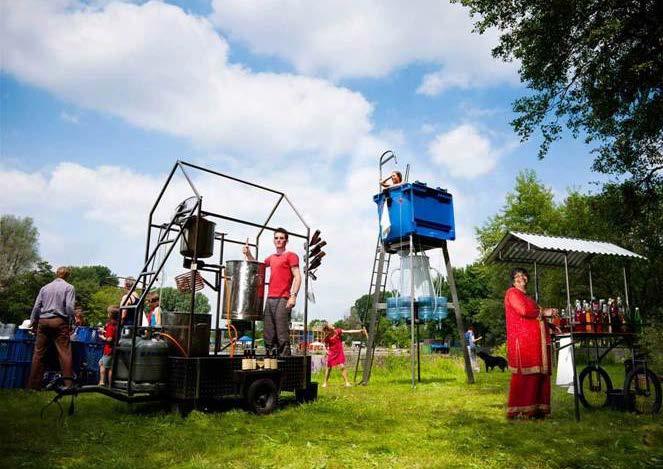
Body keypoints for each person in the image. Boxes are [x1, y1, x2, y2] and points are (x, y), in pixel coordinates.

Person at [504, 268, 556, 419]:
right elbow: (523, 310)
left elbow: (534, 313)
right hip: (524, 342)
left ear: (527, 278)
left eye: (523, 275)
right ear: (513, 281)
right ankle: (522, 410)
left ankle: (537, 409)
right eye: (517, 276)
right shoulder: (512, 293)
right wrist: (543, 312)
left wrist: (550, 321)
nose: (521, 277)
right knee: (527, 376)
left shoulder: (529, 298)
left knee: (539, 375)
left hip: (536, 341)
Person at [243, 227, 301, 356]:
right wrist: (248, 254)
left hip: (283, 298)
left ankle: (285, 363)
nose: (278, 240)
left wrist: (293, 296)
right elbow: (257, 266)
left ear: (286, 241)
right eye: (276, 238)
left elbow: (297, 276)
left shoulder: (291, 256)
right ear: (273, 241)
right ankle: (270, 360)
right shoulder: (272, 258)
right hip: (270, 299)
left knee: (281, 333)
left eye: (281, 238)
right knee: (268, 333)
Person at [28, 266, 76, 389]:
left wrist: (33, 322)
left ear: (56, 274)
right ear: (67, 276)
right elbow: (70, 307)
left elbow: (36, 306)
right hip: (59, 321)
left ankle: (33, 385)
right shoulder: (69, 287)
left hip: (43, 321)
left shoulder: (45, 288)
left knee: (39, 353)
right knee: (64, 353)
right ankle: (68, 385)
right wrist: (71, 322)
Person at [98, 306, 119, 386]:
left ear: (110, 315)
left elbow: (109, 339)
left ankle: (102, 382)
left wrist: (102, 337)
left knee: (104, 365)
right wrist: (104, 331)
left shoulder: (110, 326)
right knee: (104, 364)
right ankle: (109, 384)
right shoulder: (116, 324)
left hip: (108, 350)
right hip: (113, 349)